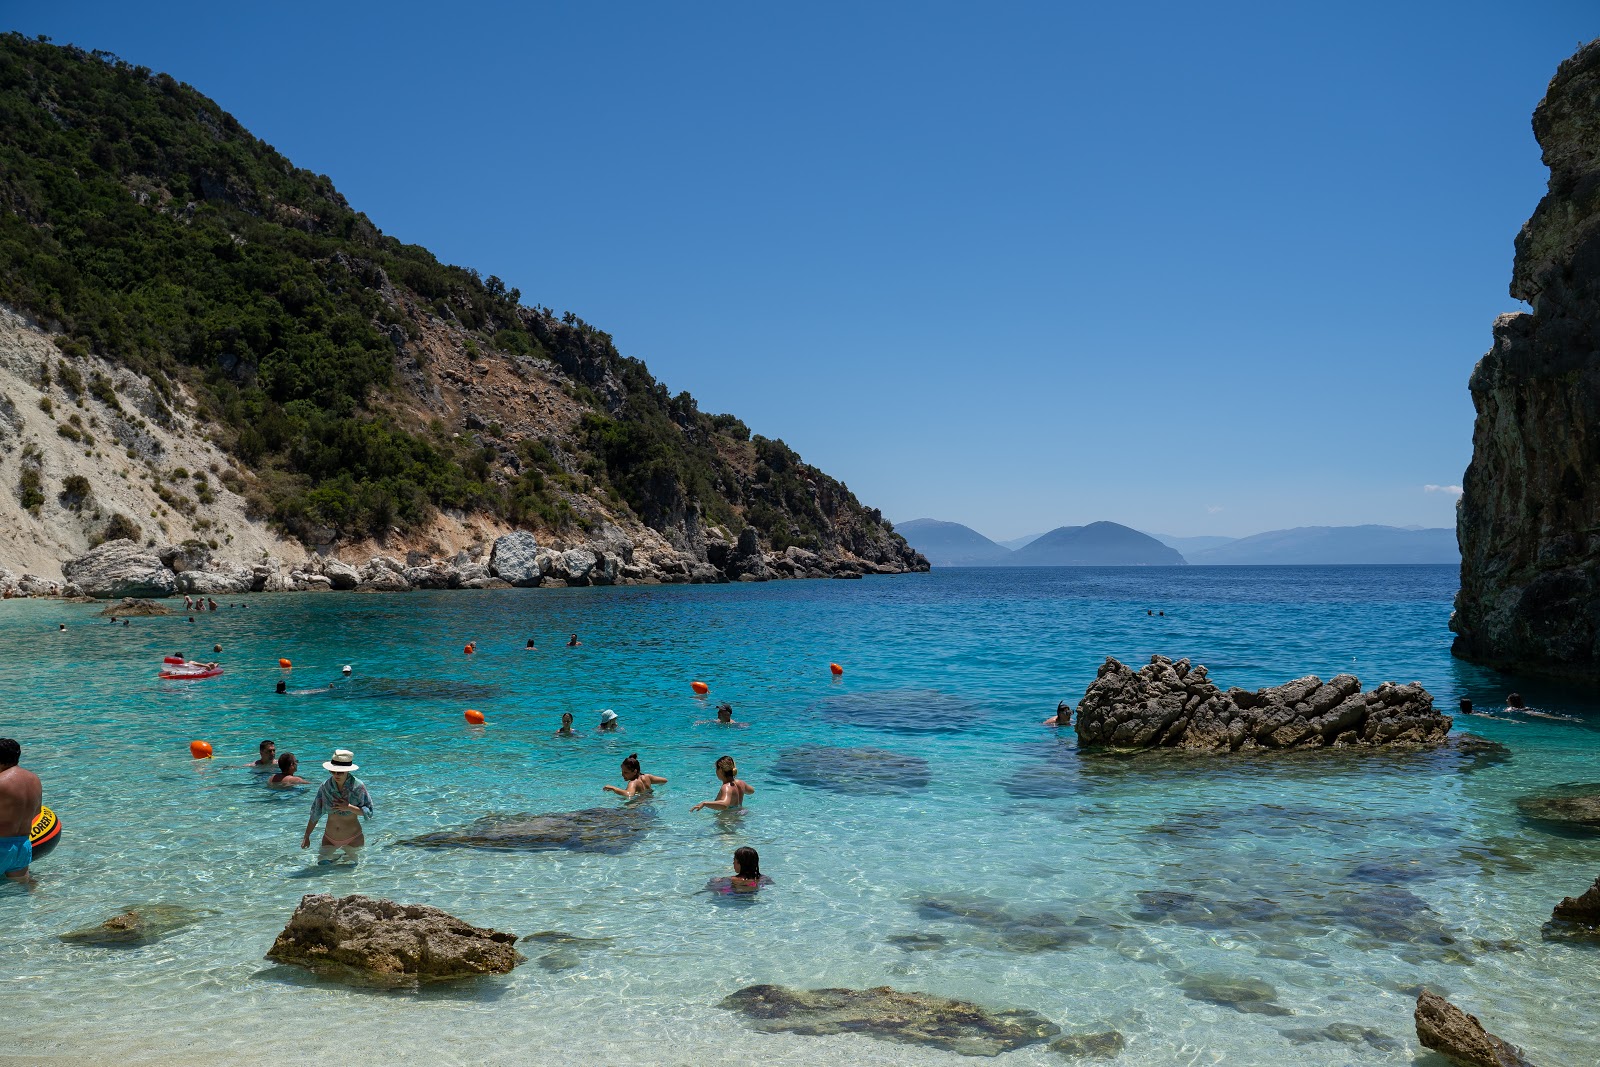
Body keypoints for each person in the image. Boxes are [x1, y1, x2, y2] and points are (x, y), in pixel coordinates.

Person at [301, 749, 373, 862]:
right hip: (329, 838)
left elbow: (369, 811)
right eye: (333, 771)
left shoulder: (358, 787)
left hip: (353, 838)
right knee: (321, 867)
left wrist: (349, 807)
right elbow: (316, 812)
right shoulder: (326, 787)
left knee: (351, 874)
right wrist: (307, 836)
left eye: (340, 772)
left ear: (348, 771)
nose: (336, 775)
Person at [0, 738, 42, 889]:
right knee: (20, 893)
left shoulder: (1, 781)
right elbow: (37, 811)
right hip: (22, 847)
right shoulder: (34, 780)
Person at [708, 846, 772, 895]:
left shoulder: (729, 880)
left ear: (740, 863)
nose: (733, 863)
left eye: (734, 860)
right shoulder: (764, 879)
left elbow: (714, 891)